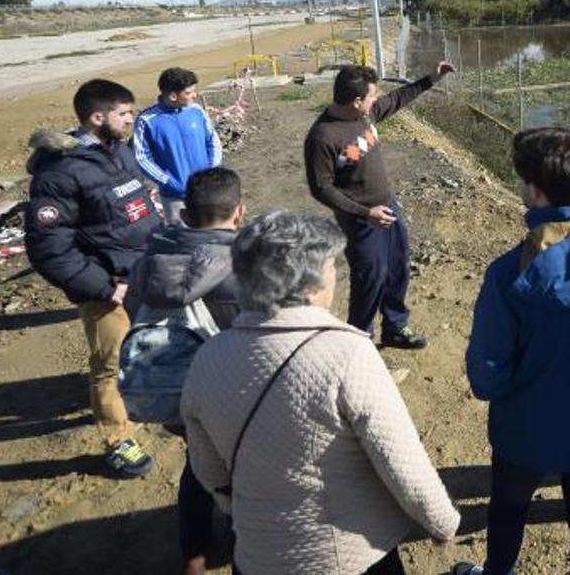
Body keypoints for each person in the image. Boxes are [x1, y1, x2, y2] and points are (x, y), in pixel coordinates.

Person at [180, 210, 460, 575]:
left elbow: (207, 466)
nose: (335, 277)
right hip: (346, 556)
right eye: (331, 267)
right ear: (309, 285)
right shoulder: (346, 354)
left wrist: (241, 507)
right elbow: (400, 460)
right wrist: (441, 522)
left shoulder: (208, 358)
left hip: (255, 556)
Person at [455, 128, 570, 575]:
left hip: (524, 429)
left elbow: (486, 376)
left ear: (534, 193)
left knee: (508, 509)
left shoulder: (508, 273)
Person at [25, 78, 161, 478]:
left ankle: (139, 401)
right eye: (124, 113)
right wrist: (104, 288)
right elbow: (50, 250)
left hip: (143, 274)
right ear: (97, 117)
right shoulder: (60, 174)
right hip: (107, 289)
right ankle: (118, 441)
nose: (131, 120)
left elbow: (136, 208)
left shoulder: (119, 152)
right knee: (108, 364)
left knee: (147, 346)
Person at [129, 167, 245, 575]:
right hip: (230, 395)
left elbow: (135, 315)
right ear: (239, 213)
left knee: (197, 464)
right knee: (241, 470)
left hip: (171, 390)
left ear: (185, 216)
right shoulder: (244, 271)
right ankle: (241, 539)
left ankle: (193, 551)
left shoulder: (149, 261)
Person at [304, 62, 453, 349]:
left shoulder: (366, 115)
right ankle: (360, 339)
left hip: (388, 207)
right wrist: (365, 213)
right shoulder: (323, 136)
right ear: (356, 101)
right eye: (372, 96)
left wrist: (432, 77)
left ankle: (395, 327)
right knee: (369, 277)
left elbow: (398, 98)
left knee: (397, 268)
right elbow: (320, 188)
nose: (377, 99)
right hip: (360, 219)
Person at [134, 67, 222, 225]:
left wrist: (212, 172)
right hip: (174, 197)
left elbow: (213, 142)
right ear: (173, 95)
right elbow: (142, 158)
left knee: (212, 232)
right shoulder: (147, 120)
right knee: (181, 239)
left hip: (207, 191)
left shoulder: (197, 111)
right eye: (189, 93)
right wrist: (169, 182)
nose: (195, 95)